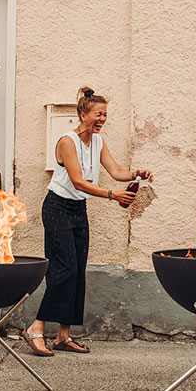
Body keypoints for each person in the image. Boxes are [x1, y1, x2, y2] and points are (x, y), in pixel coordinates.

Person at [22, 87, 152, 357]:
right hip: (57, 208)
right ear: (82, 114)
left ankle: (63, 336)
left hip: (78, 209)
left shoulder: (98, 142)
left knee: (78, 271)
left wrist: (135, 174)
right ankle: (35, 328)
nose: (102, 118)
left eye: (105, 114)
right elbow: (78, 181)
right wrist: (111, 196)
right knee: (63, 270)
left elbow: (116, 172)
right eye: (98, 114)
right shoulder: (67, 141)